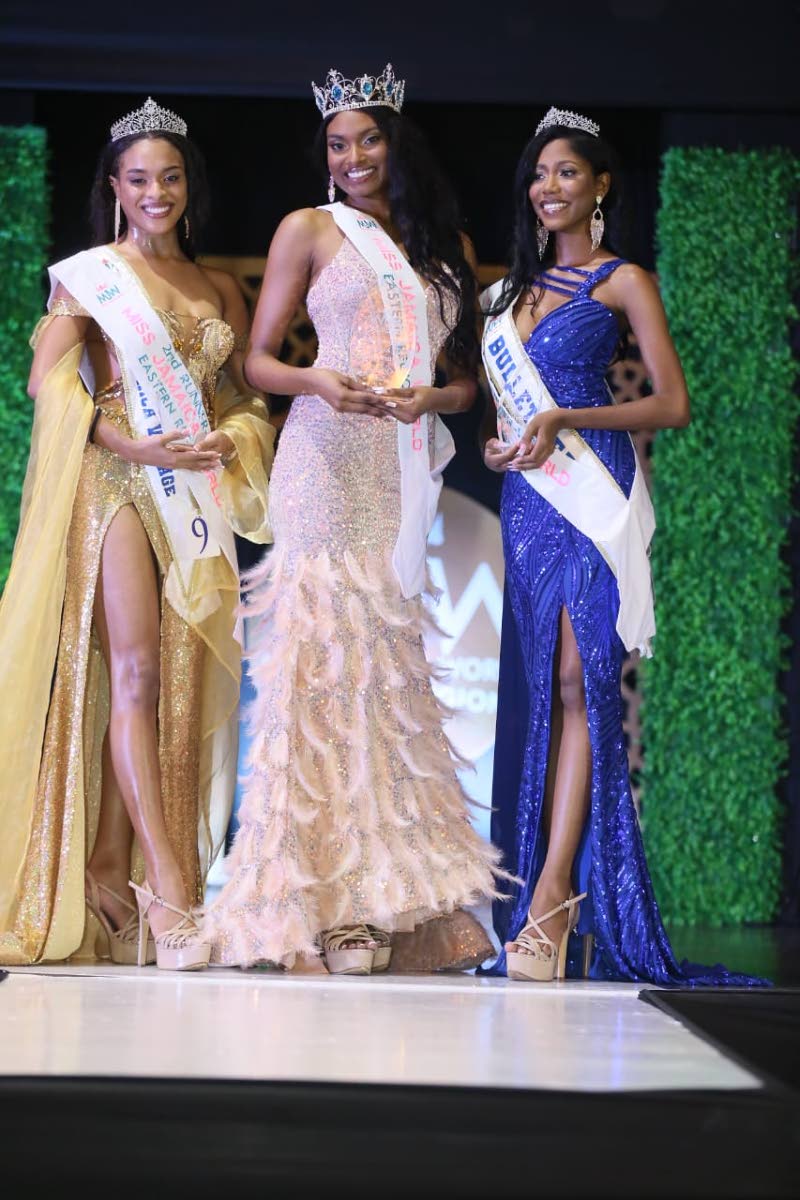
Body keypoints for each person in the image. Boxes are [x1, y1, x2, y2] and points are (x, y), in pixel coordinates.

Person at [203, 64, 506, 974]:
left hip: (399, 463)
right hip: (324, 459)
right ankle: (322, 905)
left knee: (384, 672)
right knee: (320, 668)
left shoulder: (443, 243)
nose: (353, 157)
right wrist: (318, 381)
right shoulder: (307, 228)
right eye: (338, 144)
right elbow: (258, 361)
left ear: (397, 145)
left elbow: (466, 383)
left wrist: (432, 397)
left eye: (368, 139)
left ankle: (385, 900)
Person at [480, 107, 765, 985]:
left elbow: (671, 403)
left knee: (582, 680)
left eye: (568, 171)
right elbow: (507, 412)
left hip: (592, 488)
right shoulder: (507, 295)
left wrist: (569, 416)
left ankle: (553, 895)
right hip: (529, 498)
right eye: (540, 173)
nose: (550, 187)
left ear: (601, 185)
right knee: (548, 685)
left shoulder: (622, 280)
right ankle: (549, 895)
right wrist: (499, 447)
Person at [0, 97, 274, 971]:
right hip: (116, 478)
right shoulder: (92, 278)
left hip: (189, 487)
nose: (156, 193)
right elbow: (47, 386)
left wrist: (231, 437)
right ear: (114, 188)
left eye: (171, 178)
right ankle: (169, 889)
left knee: (175, 684)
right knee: (136, 672)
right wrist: (132, 444)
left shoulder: (218, 286)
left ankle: (110, 880)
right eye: (139, 180)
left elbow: (243, 396)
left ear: (189, 186)